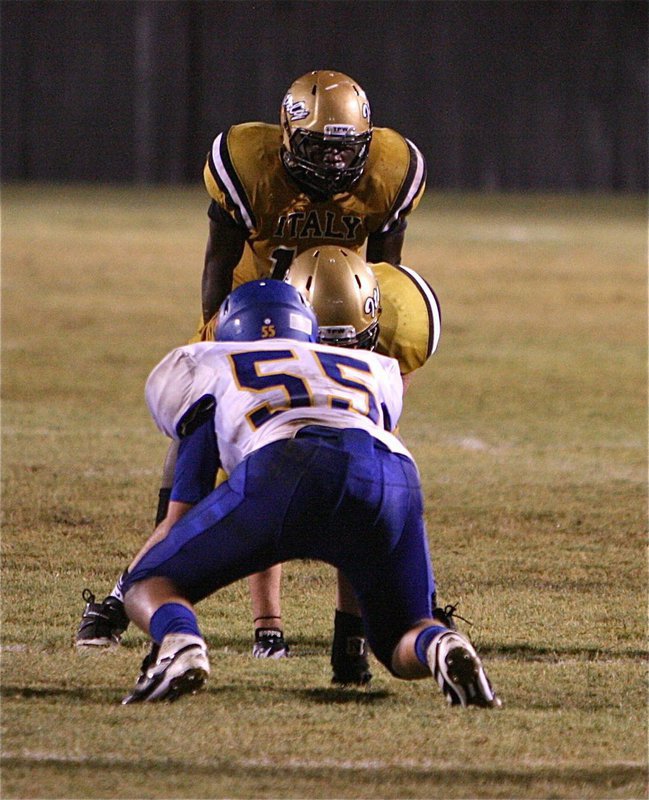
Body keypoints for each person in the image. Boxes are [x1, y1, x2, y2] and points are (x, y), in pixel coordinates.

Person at [76, 69, 430, 684]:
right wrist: (219, 346)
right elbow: (219, 262)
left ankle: (369, 622)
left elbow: (384, 277)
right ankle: (129, 592)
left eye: (348, 144)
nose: (338, 157)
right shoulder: (249, 164)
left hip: (341, 321)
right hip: (255, 322)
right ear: (290, 137)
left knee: (337, 446)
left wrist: (363, 342)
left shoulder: (390, 172)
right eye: (321, 144)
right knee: (202, 470)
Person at [119, 279, 501, 709]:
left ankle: (181, 644)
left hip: (286, 468)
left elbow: (178, 519)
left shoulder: (209, 364)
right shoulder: (363, 364)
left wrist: (125, 598)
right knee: (402, 635)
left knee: (149, 584)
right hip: (392, 474)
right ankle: (442, 646)